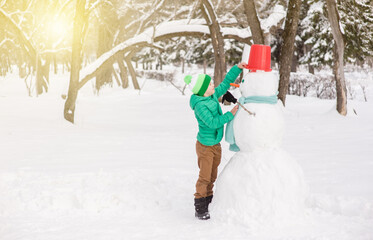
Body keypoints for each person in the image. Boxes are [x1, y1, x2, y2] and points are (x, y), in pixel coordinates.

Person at [184, 62, 246, 220]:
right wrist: (230, 114)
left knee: (212, 175)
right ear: (203, 90)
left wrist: (238, 68)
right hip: (205, 146)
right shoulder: (200, 106)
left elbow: (225, 83)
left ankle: (208, 198)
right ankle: (200, 206)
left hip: (215, 144)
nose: (213, 85)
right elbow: (213, 122)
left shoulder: (211, 95)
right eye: (210, 84)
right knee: (204, 176)